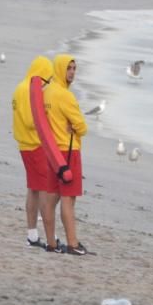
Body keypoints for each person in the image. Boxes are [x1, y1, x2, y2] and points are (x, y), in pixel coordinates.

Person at [12, 55, 64, 252]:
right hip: (34, 145)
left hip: (25, 145)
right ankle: (52, 236)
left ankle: (32, 235)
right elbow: (30, 120)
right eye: (47, 79)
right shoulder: (28, 90)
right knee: (45, 191)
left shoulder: (21, 87)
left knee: (33, 189)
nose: (47, 84)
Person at [43, 53, 89, 255]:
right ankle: (72, 243)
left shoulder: (47, 92)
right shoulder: (65, 95)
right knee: (68, 199)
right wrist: (74, 126)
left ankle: (51, 242)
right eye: (68, 68)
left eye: (74, 68)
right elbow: (82, 127)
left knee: (52, 198)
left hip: (52, 151)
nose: (71, 72)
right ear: (61, 69)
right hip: (68, 150)